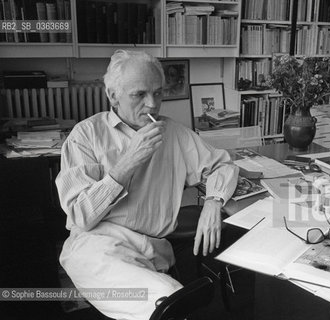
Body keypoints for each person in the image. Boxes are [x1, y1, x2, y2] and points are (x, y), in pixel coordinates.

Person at [55, 50, 238, 320]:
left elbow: (223, 164)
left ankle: (169, 304)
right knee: (158, 295)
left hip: (152, 247)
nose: (152, 104)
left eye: (158, 93)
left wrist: (214, 201)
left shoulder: (173, 133)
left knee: (161, 296)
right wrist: (128, 162)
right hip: (97, 243)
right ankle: (169, 304)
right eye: (139, 94)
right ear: (113, 95)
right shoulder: (85, 136)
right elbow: (81, 216)